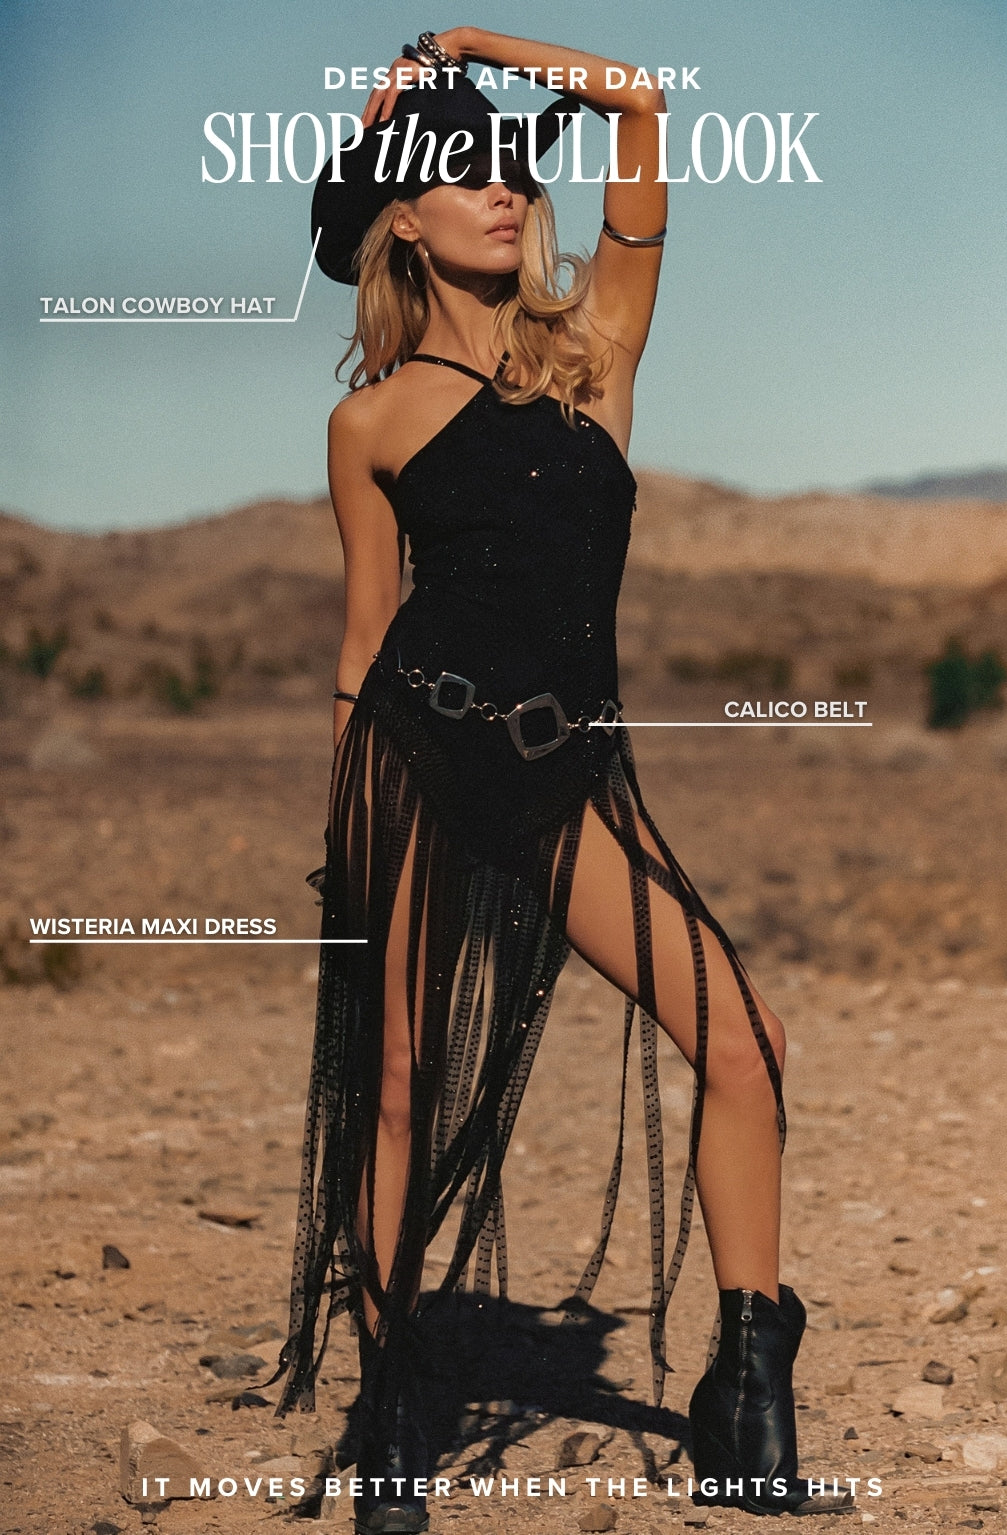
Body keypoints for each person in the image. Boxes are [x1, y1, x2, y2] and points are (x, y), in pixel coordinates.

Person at [273, 27, 853, 1532]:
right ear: (401, 216)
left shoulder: (598, 347)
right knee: (394, 1090)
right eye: (461, 172)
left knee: (743, 1039)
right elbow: (357, 646)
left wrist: (472, 52)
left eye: (512, 169)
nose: (503, 191)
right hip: (411, 759)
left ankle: (746, 1382)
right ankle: (395, 1414)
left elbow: (641, 105)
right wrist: (341, 828)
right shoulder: (369, 421)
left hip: (564, 775)